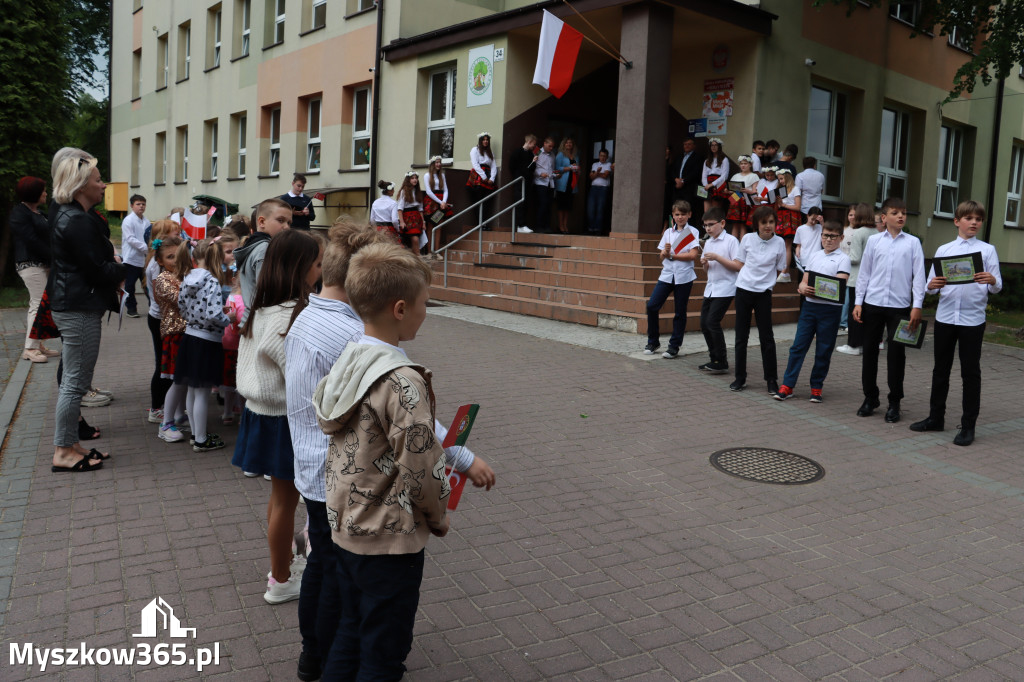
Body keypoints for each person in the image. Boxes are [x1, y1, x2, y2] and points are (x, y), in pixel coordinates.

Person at [313, 242, 494, 681]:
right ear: (399, 308)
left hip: (346, 525)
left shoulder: (351, 357)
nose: (426, 312)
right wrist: (438, 517)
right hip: (388, 540)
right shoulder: (401, 380)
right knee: (384, 652)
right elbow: (421, 465)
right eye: (424, 303)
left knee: (350, 631)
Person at [232, 230, 322, 605]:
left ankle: (281, 566)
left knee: (280, 497)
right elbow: (296, 370)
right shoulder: (290, 313)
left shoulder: (263, 306)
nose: (321, 270)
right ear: (300, 268)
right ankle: (281, 579)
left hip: (260, 414)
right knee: (287, 500)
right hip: (283, 417)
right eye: (318, 264)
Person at [48, 153, 124, 472]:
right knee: (75, 382)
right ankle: (63, 451)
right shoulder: (75, 220)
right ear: (81, 186)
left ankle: (71, 444)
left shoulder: (72, 215)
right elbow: (95, 270)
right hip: (77, 305)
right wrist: (124, 268)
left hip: (76, 303)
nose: (103, 184)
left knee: (76, 379)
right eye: (97, 180)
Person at [909, 201, 1002, 447]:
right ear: (957, 221)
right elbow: (930, 286)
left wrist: (992, 279)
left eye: (978, 219)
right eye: (969, 218)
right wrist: (932, 286)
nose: (974, 223)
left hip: (973, 320)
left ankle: (968, 426)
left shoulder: (987, 250)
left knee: (970, 373)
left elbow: (996, 286)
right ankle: (935, 418)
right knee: (940, 370)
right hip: (946, 318)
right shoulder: (944, 249)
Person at [853, 197, 926, 423]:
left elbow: (919, 277)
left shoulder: (913, 243)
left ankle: (894, 402)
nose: (901, 216)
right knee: (869, 354)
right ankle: (870, 397)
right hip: (873, 304)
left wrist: (917, 306)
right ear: (884, 218)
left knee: (896, 356)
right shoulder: (875, 242)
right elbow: (864, 273)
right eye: (895, 213)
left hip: (900, 307)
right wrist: (858, 302)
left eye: (903, 212)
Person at [774, 221, 851, 402]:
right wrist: (802, 287)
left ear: (841, 238)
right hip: (810, 307)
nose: (828, 239)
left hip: (830, 311)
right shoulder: (815, 256)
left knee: (823, 350)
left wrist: (816, 288)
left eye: (833, 236)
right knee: (798, 347)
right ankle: (787, 385)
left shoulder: (843, 259)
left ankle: (816, 386)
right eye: (825, 235)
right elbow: (804, 280)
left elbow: (839, 285)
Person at [175, 238, 232, 450]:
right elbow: (214, 314)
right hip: (207, 341)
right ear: (215, 258)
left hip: (190, 337)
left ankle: (196, 433)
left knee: (192, 389)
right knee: (202, 392)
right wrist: (230, 319)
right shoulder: (212, 282)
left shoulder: (187, 277)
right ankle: (200, 439)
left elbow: (182, 307)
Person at [730, 205, 787, 393]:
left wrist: (767, 283)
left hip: (763, 293)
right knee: (741, 336)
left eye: (771, 222)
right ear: (757, 224)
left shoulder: (779, 243)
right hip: (744, 290)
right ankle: (740, 377)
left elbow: (779, 269)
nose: (767, 226)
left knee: (767, 337)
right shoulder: (747, 238)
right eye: (763, 222)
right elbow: (740, 263)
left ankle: (771, 379)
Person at [9, 176, 57, 363]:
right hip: (29, 264)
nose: (46, 193)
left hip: (43, 263)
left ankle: (39, 344)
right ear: (34, 193)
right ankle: (30, 348)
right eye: (43, 190)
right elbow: (32, 240)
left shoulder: (39, 213)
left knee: (42, 304)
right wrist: (54, 257)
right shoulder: (19, 213)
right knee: (37, 303)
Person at [644, 200, 699, 359]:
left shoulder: (693, 232)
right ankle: (653, 341)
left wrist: (672, 255)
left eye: (683, 214)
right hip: (667, 275)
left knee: (679, 312)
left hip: (684, 276)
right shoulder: (668, 232)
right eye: (677, 214)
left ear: (689, 215)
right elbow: (661, 257)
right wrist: (665, 253)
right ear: (672, 216)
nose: (680, 217)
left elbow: (693, 255)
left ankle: (674, 346)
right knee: (652, 306)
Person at [144, 221, 182, 424]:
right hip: (161, 319)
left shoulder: (161, 261)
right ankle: (157, 407)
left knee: (167, 365)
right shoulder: (157, 269)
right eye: (174, 233)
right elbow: (165, 298)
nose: (179, 234)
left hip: (165, 318)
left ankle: (167, 405)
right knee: (163, 365)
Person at [153, 238, 190, 443]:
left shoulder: (184, 275)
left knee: (184, 380)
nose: (176, 260)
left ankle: (179, 415)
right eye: (170, 257)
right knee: (177, 380)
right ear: (160, 261)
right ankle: (165, 423)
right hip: (175, 334)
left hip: (187, 332)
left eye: (179, 255)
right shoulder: (163, 279)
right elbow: (181, 299)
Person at [235, 197, 292, 324]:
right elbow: (267, 292)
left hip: (253, 319)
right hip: (260, 321)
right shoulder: (265, 249)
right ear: (261, 222)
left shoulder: (257, 246)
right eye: (281, 220)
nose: (286, 227)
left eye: (289, 223)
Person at [698, 207, 741, 374]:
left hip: (726, 287)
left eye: (711, 225)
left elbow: (737, 266)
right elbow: (707, 271)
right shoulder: (708, 242)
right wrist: (705, 264)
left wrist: (717, 258)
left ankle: (722, 361)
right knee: (704, 323)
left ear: (722, 223)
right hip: (711, 287)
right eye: (705, 226)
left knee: (712, 322)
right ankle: (714, 358)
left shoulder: (731, 241)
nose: (708, 229)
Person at [836, 204, 881, 355]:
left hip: (856, 279)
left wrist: (841, 257)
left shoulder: (858, 233)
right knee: (867, 314)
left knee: (854, 313)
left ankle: (853, 345)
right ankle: (864, 344)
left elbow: (855, 258)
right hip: (873, 279)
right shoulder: (876, 232)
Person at [120, 194, 151, 318]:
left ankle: (154, 307)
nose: (141, 206)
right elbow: (130, 239)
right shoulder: (128, 220)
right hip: (131, 258)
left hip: (144, 259)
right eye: (138, 204)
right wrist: (146, 248)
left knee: (148, 285)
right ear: (132, 206)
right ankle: (131, 308)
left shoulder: (146, 221)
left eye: (143, 204)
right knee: (130, 286)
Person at [773, 167, 801, 283]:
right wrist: (778, 203)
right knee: (780, 244)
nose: (780, 181)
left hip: (791, 217)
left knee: (787, 245)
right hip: (781, 217)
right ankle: (785, 271)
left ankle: (784, 272)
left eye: (782, 179)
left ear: (788, 177)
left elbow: (798, 207)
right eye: (779, 179)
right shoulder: (780, 189)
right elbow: (778, 206)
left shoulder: (795, 189)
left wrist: (783, 205)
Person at [467, 132, 497, 228]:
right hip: (478, 176)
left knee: (486, 201)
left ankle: (484, 222)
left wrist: (492, 178)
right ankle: (480, 224)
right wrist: (484, 177)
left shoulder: (490, 152)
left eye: (487, 140)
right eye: (483, 140)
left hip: (488, 176)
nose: (485, 141)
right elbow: (475, 164)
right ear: (480, 141)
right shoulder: (475, 150)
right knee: (478, 200)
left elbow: (493, 166)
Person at [422, 155, 453, 248]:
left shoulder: (442, 175)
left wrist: (443, 201)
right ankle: (429, 251)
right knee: (430, 226)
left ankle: (436, 250)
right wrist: (441, 202)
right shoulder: (427, 175)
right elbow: (428, 191)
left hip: (441, 203)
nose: (439, 164)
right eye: (436, 162)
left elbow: (446, 190)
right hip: (431, 203)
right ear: (432, 164)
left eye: (440, 162)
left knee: (438, 225)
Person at [510, 134, 538, 233]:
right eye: (533, 144)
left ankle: (522, 225)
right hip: (519, 180)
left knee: (525, 202)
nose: (534, 147)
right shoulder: (517, 152)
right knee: (520, 202)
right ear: (529, 142)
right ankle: (520, 224)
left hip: (527, 181)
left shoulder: (531, 154)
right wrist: (519, 175)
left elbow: (532, 169)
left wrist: (534, 162)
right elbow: (512, 166)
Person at [726, 156, 758, 239]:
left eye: (745, 163)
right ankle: (733, 245)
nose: (743, 165)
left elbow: (755, 192)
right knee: (735, 224)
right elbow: (730, 189)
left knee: (743, 224)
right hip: (735, 198)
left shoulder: (754, 176)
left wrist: (747, 191)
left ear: (750, 164)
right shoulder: (736, 176)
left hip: (745, 200)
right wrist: (729, 191)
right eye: (741, 164)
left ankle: (742, 246)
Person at [553, 137, 580, 234]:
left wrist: (577, 169)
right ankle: (560, 225)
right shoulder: (560, 155)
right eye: (567, 143)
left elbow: (577, 167)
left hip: (572, 184)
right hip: (562, 184)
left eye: (570, 143)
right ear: (564, 144)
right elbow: (556, 168)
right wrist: (569, 168)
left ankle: (565, 225)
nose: (569, 144)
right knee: (561, 206)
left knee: (568, 206)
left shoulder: (575, 156)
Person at [673, 138, 703, 225]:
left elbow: (696, 172)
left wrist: (684, 181)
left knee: (688, 209)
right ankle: (677, 229)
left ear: (694, 146)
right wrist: (676, 179)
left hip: (689, 188)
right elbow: (673, 170)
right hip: (677, 188)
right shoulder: (679, 157)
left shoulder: (698, 158)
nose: (687, 146)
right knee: (676, 208)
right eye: (685, 144)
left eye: (689, 144)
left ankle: (689, 233)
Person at [838, 204, 857, 333]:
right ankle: (841, 321)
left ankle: (847, 321)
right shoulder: (844, 230)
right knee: (842, 294)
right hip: (842, 266)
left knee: (850, 296)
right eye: (850, 214)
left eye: (855, 215)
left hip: (855, 268)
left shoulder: (861, 232)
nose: (853, 217)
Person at [395, 171, 425, 252]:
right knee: (414, 239)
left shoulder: (418, 192)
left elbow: (421, 209)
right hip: (408, 218)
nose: (415, 180)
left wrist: (423, 222)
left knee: (416, 239)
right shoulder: (404, 192)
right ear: (408, 180)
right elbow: (400, 209)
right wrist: (401, 222)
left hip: (417, 218)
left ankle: (416, 256)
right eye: (412, 178)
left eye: (416, 178)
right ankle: (418, 257)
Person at [701, 137, 731, 216]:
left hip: (718, 185)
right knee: (706, 211)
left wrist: (712, 184)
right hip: (707, 186)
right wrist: (706, 185)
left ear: (719, 147)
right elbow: (704, 176)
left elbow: (724, 176)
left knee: (715, 210)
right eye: (712, 145)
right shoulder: (707, 161)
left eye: (716, 145)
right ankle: (707, 227)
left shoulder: (724, 160)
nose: (713, 147)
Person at [533, 137, 556, 234]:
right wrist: (539, 174)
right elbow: (533, 166)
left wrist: (555, 175)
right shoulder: (537, 152)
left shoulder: (552, 155)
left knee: (548, 205)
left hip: (550, 182)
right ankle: (539, 226)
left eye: (552, 147)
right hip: (540, 182)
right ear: (544, 144)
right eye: (549, 146)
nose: (551, 148)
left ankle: (547, 226)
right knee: (542, 204)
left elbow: (552, 168)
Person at [587, 148, 613, 234]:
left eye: (604, 156)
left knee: (600, 208)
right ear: (599, 156)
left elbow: (605, 175)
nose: (602, 158)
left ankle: (598, 229)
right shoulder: (594, 164)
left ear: (606, 157)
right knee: (591, 208)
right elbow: (591, 177)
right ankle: (591, 228)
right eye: (601, 156)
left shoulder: (608, 164)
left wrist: (596, 173)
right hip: (594, 188)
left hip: (603, 188)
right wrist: (597, 174)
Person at [793, 207, 823, 275]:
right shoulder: (800, 229)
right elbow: (798, 245)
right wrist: (797, 253)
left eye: (816, 220)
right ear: (807, 215)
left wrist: (822, 222)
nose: (813, 222)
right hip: (804, 259)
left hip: (816, 260)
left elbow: (826, 233)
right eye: (812, 219)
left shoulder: (820, 227)